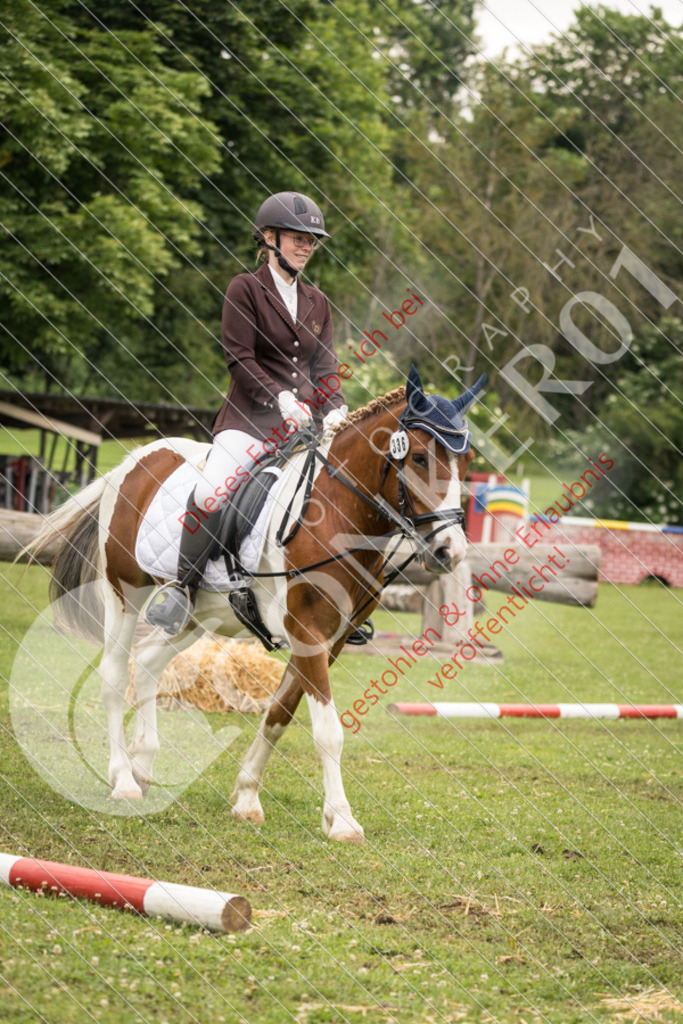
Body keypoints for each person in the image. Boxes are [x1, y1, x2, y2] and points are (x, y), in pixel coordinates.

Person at [146, 191, 348, 635]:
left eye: (312, 240)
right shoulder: (245, 288)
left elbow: (326, 368)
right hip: (249, 425)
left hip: (303, 431)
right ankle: (181, 588)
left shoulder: (318, 302)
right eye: (298, 238)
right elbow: (239, 358)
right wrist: (280, 398)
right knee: (212, 493)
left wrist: (336, 408)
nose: (306, 247)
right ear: (270, 238)